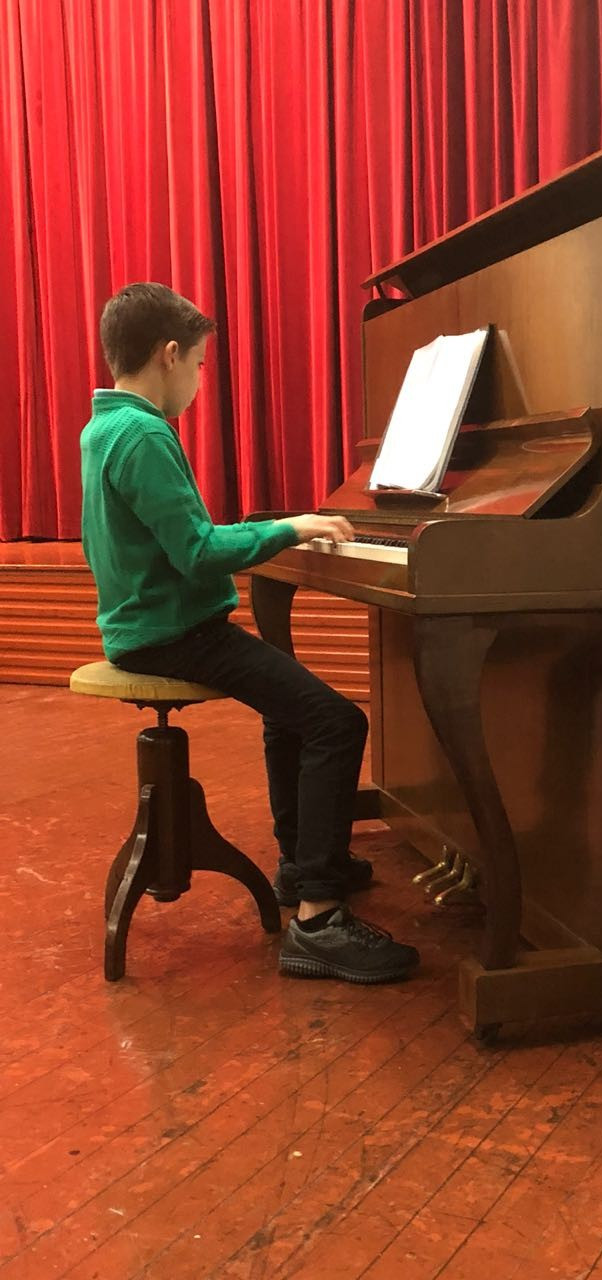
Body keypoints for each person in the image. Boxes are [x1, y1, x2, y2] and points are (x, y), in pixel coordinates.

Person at [80, 282, 419, 984]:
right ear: (169, 354)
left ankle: (302, 863)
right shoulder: (144, 432)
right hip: (172, 632)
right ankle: (318, 919)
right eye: (200, 363)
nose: (200, 379)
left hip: (144, 624)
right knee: (337, 722)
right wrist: (290, 527)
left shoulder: (103, 425)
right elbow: (198, 551)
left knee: (289, 712)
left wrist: (272, 530)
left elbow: (182, 539)